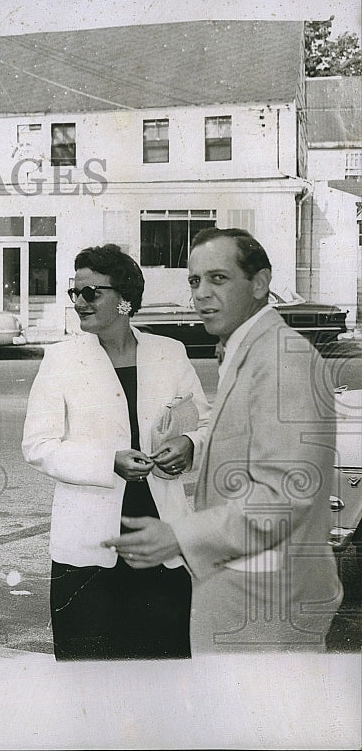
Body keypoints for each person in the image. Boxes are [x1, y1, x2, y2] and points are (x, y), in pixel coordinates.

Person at [103, 228, 343, 653]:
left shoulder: (282, 360)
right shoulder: (246, 349)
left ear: (260, 282)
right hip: (251, 599)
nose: (201, 294)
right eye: (195, 281)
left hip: (269, 609)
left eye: (218, 278)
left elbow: (284, 495)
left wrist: (180, 535)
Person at [22, 244, 210, 660]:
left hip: (161, 541)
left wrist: (188, 444)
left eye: (92, 293)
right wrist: (109, 462)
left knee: (164, 672)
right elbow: (38, 446)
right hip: (89, 548)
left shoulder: (169, 353)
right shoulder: (61, 360)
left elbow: (205, 423)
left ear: (125, 300)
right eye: (75, 293)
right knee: (88, 677)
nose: (79, 303)